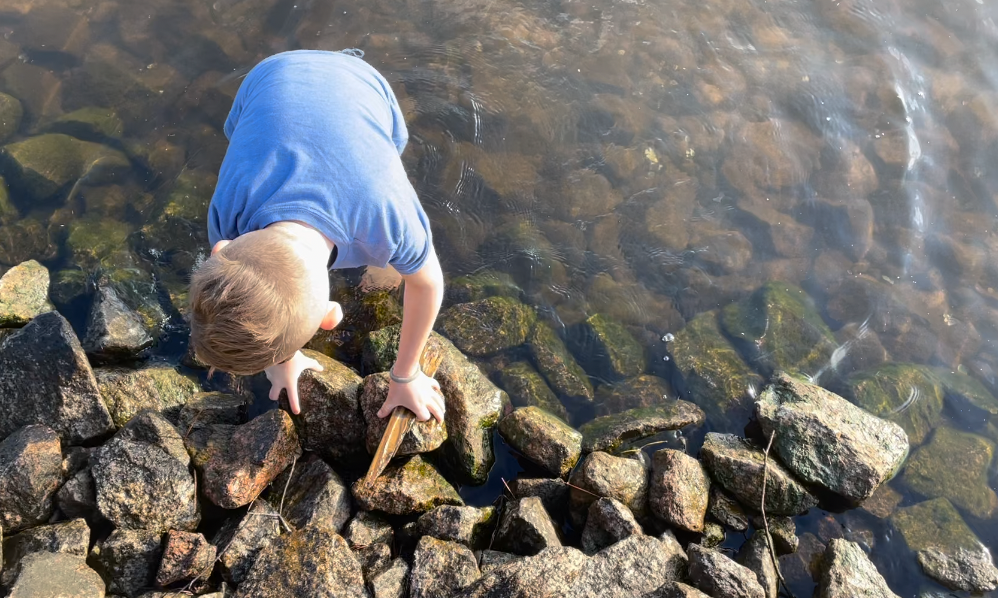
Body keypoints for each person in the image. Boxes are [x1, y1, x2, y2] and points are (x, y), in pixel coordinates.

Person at [188, 50, 446, 424]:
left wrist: (406, 375)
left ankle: (390, 263)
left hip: (362, 83)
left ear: (331, 316)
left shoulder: (389, 218)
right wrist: (284, 357)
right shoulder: (228, 216)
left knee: (400, 242)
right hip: (271, 76)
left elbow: (428, 284)